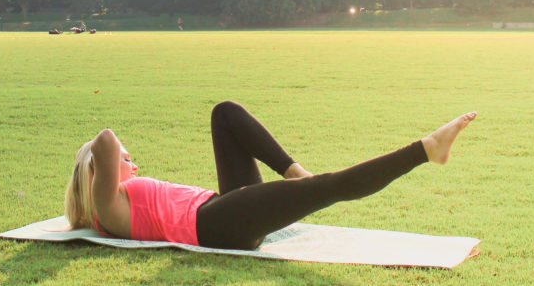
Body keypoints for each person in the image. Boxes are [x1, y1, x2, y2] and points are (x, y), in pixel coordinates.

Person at [65, 101, 476, 250]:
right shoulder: (109, 208)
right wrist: (100, 161)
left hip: (221, 208)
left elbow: (109, 148)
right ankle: (426, 150)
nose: (132, 163)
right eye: (127, 160)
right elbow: (105, 139)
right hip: (216, 225)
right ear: (97, 173)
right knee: (328, 187)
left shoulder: (115, 202)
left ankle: (294, 171)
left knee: (224, 113)